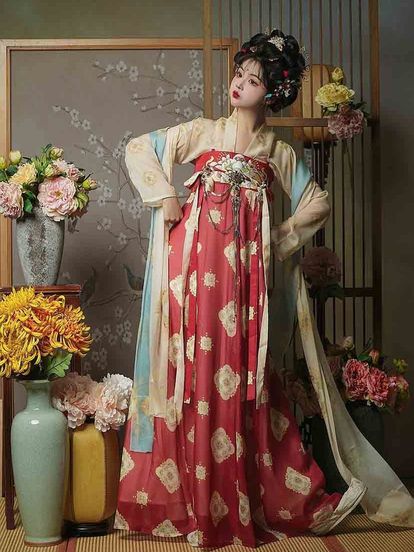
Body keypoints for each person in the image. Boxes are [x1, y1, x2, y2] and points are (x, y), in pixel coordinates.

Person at [115, 29, 414, 547]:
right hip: (193, 278)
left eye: (253, 80)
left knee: (242, 373)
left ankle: (252, 496)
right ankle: (189, 499)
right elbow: (139, 147)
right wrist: (165, 195)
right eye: (239, 74)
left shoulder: (277, 151)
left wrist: (278, 238)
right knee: (192, 371)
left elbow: (317, 202)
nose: (239, 84)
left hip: (243, 286)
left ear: (272, 92)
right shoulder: (203, 132)